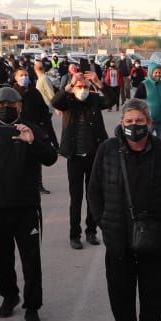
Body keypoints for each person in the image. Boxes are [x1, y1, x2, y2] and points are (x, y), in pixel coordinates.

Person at [87, 102, 161, 321]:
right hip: (117, 238)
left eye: (139, 121)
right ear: (121, 122)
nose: (134, 126)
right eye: (129, 121)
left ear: (149, 123)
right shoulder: (107, 150)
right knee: (120, 293)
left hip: (153, 238)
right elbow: (94, 190)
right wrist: (103, 223)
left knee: (153, 291)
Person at [0, 86, 57, 321]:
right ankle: (9, 296)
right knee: (0, 257)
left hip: (27, 208)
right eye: (1, 106)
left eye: (11, 105)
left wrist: (32, 143)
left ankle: (32, 307)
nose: (6, 109)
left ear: (20, 106)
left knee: (31, 260)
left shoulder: (32, 130)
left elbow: (50, 158)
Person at [54, 77, 107, 248]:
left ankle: (91, 231)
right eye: (80, 86)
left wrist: (99, 83)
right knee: (76, 198)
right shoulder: (68, 101)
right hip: (75, 156)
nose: (83, 89)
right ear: (74, 87)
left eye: (86, 86)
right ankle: (74, 235)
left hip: (93, 156)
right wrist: (69, 86)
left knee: (92, 195)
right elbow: (55, 101)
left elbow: (112, 99)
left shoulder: (94, 100)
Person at [143, 64, 161, 140]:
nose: (158, 74)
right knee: (146, 140)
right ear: (150, 72)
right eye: (156, 72)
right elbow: (136, 102)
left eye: (159, 72)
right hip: (149, 121)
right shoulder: (144, 84)